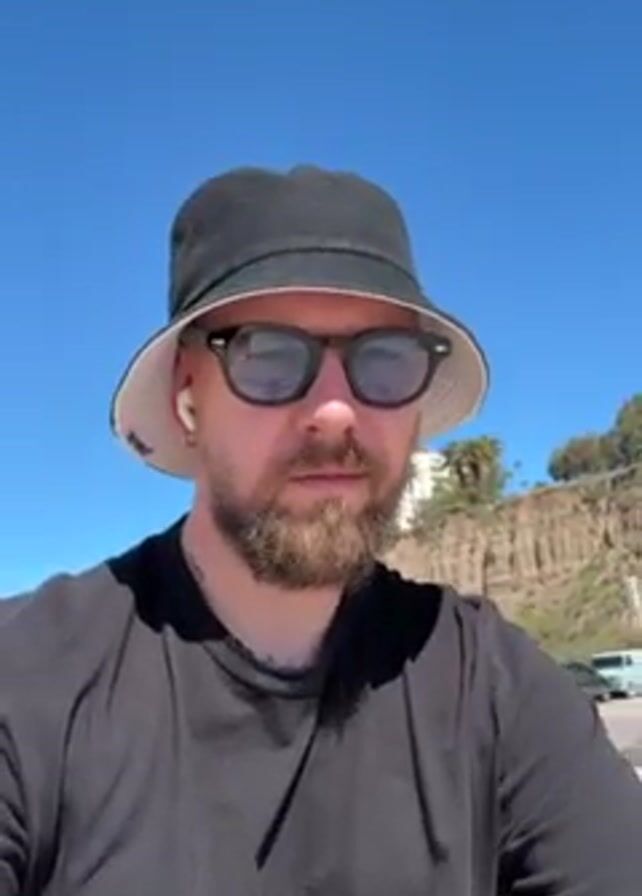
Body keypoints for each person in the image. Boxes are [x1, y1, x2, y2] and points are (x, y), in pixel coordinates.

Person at [1, 165, 641, 896]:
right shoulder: (30, 683)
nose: (336, 413)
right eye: (269, 357)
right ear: (187, 394)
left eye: (385, 359)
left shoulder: (493, 687)